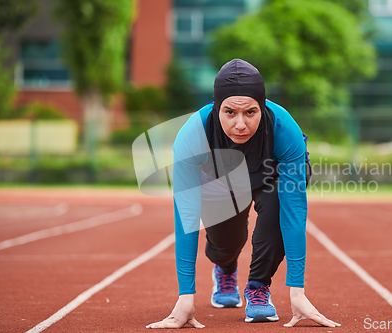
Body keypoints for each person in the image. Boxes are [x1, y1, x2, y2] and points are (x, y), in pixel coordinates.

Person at [146, 59, 340, 329]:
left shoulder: (285, 129)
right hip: (220, 177)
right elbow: (186, 217)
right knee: (226, 241)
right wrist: (185, 296)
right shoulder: (193, 135)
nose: (240, 124)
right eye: (229, 112)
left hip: (271, 173)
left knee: (278, 210)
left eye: (250, 112)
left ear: (262, 107)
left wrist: (297, 291)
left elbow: (295, 212)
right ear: (216, 108)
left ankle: (258, 287)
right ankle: (225, 268)